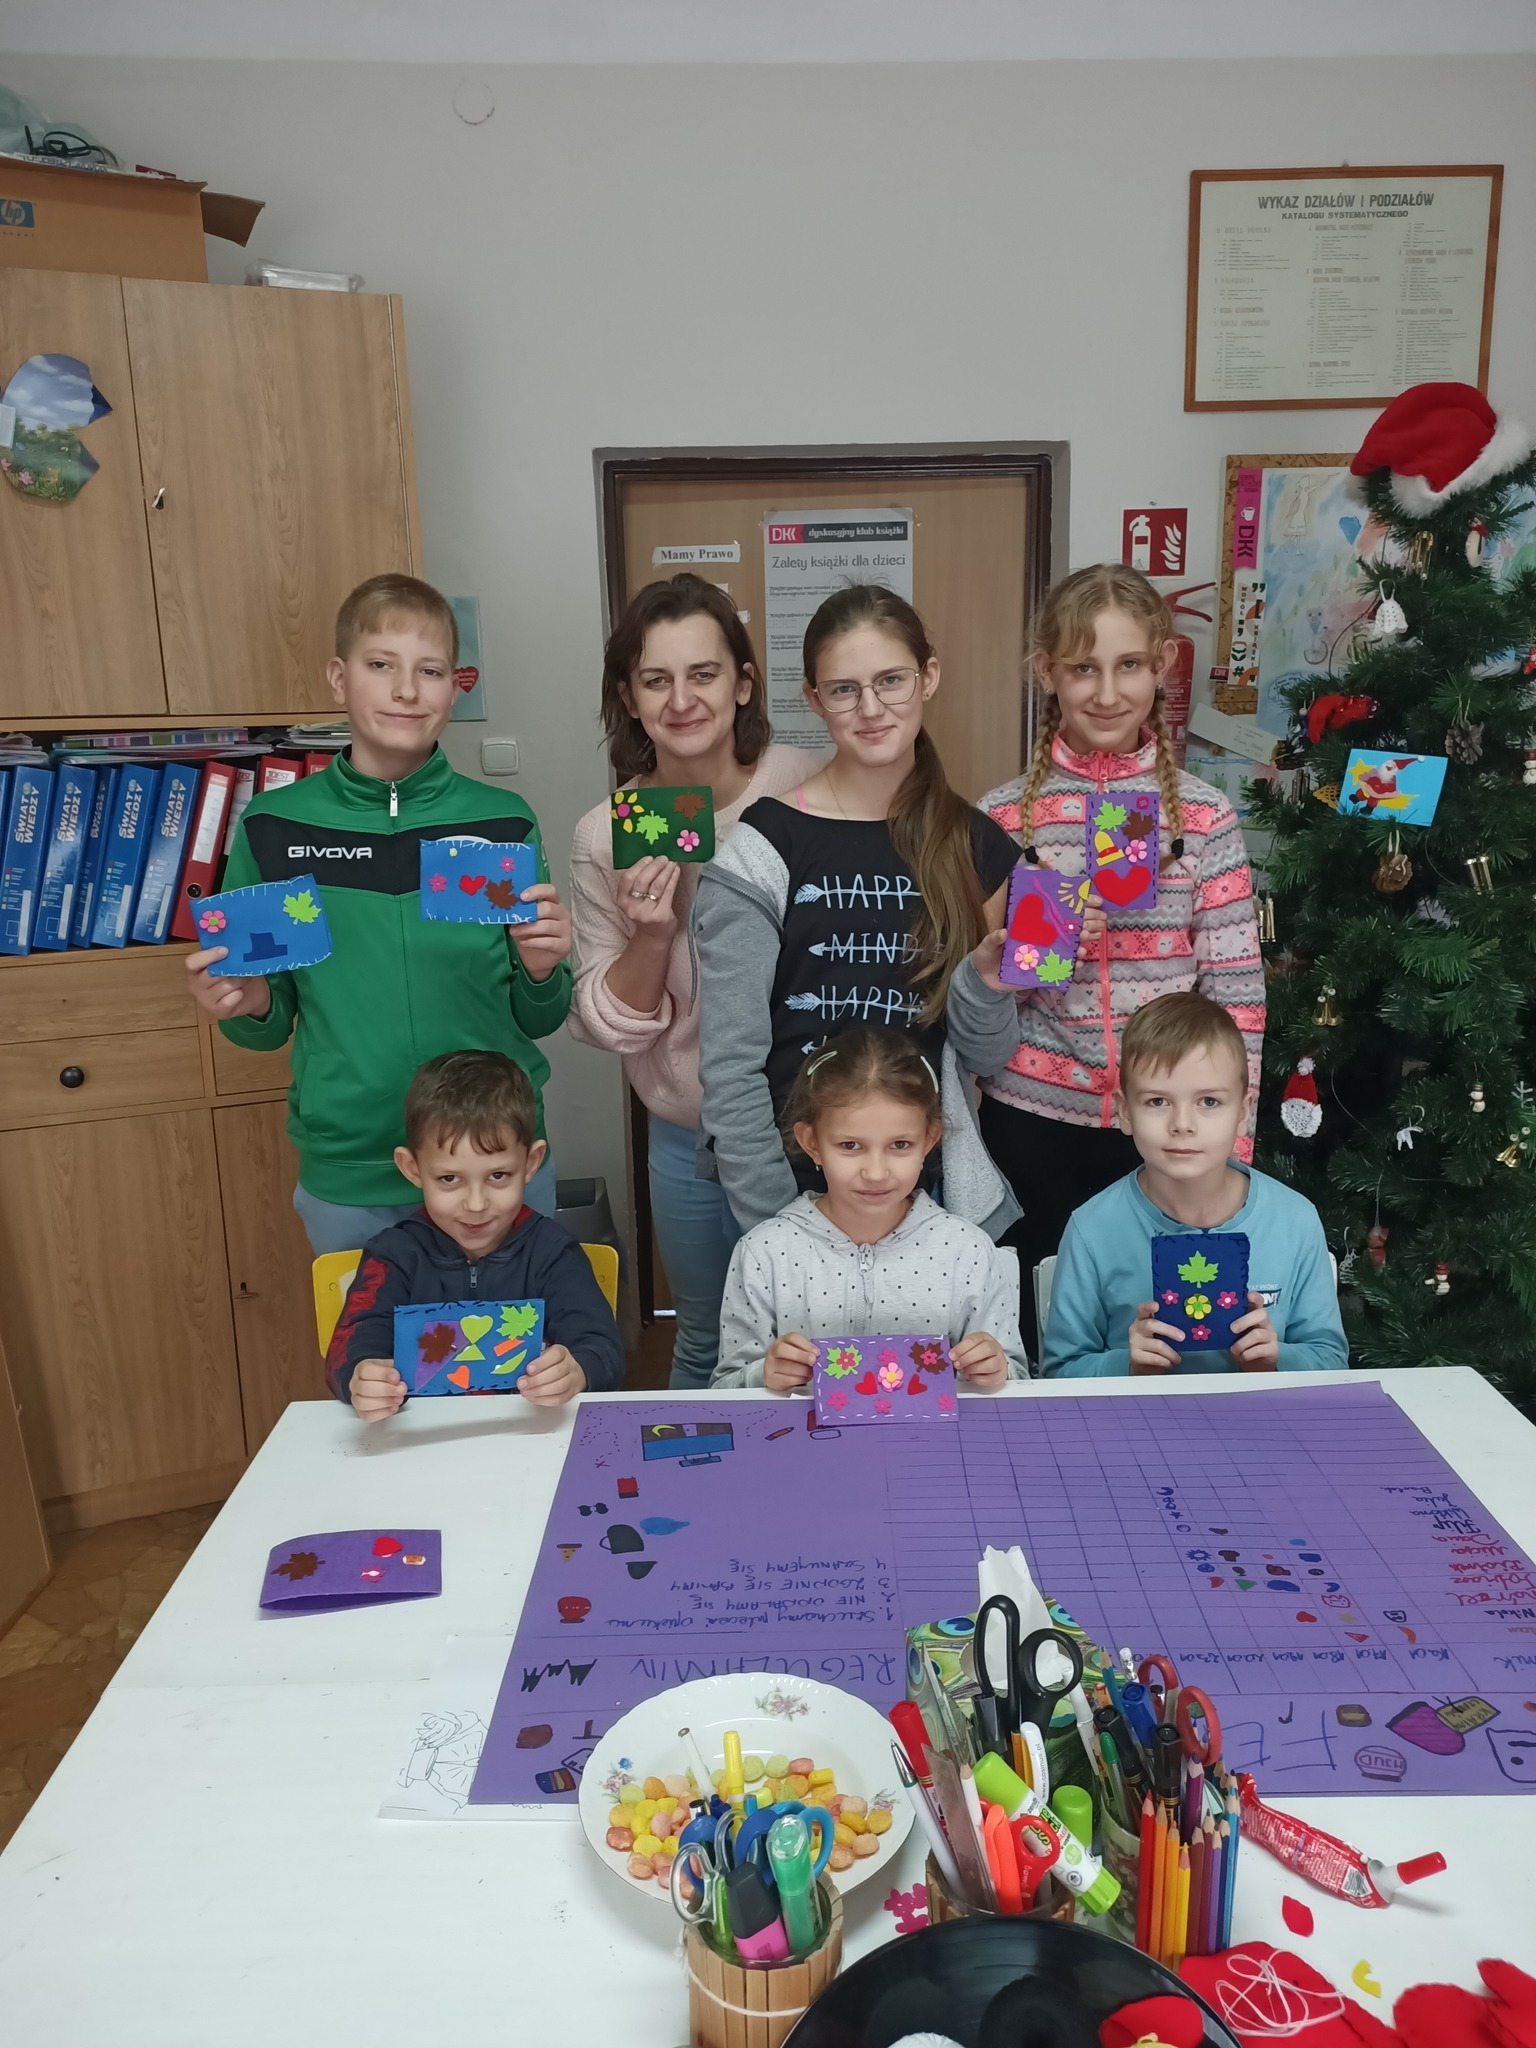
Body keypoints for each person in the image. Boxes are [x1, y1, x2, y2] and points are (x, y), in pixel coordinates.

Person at [185, 573, 573, 1256]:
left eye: (430, 671)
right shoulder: (273, 828)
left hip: (494, 1163)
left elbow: (539, 1016)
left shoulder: (502, 822)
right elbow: (264, 1025)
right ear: (340, 677)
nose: (406, 690)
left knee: (517, 1330)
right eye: (381, 665)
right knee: (368, 1334)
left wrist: (543, 972)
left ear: (455, 686)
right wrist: (247, 1002)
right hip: (352, 1172)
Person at [946, 564, 1264, 1353]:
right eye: (1084, 668)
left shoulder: (1204, 816)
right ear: (1047, 672)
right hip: (1032, 1124)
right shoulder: (1000, 819)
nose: (1108, 692)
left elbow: (1236, 995)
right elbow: (981, 1017)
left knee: (1162, 1334)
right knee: (1034, 1331)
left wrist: (1233, 1139)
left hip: (1168, 1123)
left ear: (1161, 665)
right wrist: (1039, 953)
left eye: (1129, 666)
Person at [697, 584, 1020, 1239]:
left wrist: (988, 984)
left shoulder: (977, 846)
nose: (871, 708)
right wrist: (777, 1229)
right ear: (814, 699)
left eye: (891, 680)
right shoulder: (765, 848)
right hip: (788, 1192)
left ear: (929, 677)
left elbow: (987, 1055)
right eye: (843, 689)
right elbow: (731, 1067)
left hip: (926, 1201)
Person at [568, 574, 819, 1389]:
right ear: (628, 697)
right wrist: (652, 933)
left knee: (811, 1334)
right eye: (656, 679)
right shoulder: (607, 833)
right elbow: (604, 1020)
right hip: (686, 1131)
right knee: (705, 1337)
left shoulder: (807, 787)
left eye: (703, 674)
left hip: (812, 1126)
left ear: (743, 683)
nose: (681, 700)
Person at [1042, 994, 1345, 1378]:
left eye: (1209, 1102)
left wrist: (1274, 1360)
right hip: (1139, 1417)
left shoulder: (1295, 1221)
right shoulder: (1091, 1230)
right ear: (1125, 1111)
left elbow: (1330, 1359)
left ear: (1242, 1113)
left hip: (1259, 1415)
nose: (1182, 1124)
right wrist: (1128, 1365)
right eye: (1157, 1101)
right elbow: (1060, 1370)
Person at [711, 1028, 1026, 1390]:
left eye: (900, 1145)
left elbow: (1017, 1379)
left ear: (929, 1140)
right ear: (811, 1142)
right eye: (850, 1146)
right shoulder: (763, 1254)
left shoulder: (968, 1251)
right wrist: (760, 1375)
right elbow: (724, 1388)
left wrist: (996, 1370)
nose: (876, 1172)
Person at [327, 1050, 623, 1416]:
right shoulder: (394, 1255)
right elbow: (350, 1345)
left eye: (498, 1175)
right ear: (413, 1168)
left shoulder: (553, 1252)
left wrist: (576, 1371)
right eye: (450, 1178)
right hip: (422, 1441)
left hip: (529, 1437)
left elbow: (602, 1348)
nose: (477, 1204)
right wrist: (361, 1376)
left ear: (530, 1163)